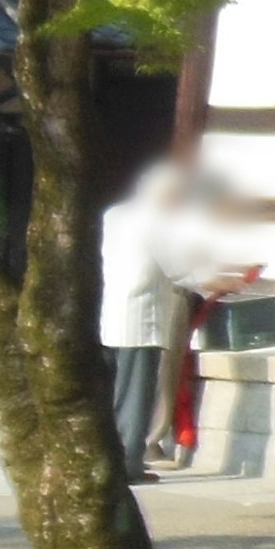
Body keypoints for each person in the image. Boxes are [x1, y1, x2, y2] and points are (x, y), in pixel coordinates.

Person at [98, 164, 182, 481]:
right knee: (136, 396)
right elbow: (178, 267)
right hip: (141, 316)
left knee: (117, 393)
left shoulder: (116, 215)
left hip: (114, 310)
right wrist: (213, 281)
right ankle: (128, 463)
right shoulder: (156, 220)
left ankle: (113, 458)